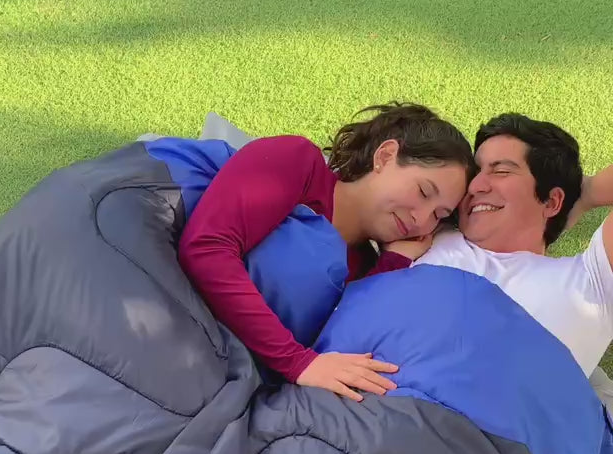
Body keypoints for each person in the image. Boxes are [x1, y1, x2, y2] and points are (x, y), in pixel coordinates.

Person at [177, 103, 474, 401]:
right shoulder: (299, 164)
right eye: (423, 192)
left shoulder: (365, 269)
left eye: (438, 215)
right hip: (175, 320)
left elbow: (341, 346)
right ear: (385, 156)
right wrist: (296, 361)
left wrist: (395, 261)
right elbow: (207, 247)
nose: (420, 219)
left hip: (219, 377)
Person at [384, 113, 613, 381]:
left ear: (552, 202)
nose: (475, 186)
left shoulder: (592, 282)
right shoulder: (427, 227)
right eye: (475, 172)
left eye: (501, 171)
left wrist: (586, 193)